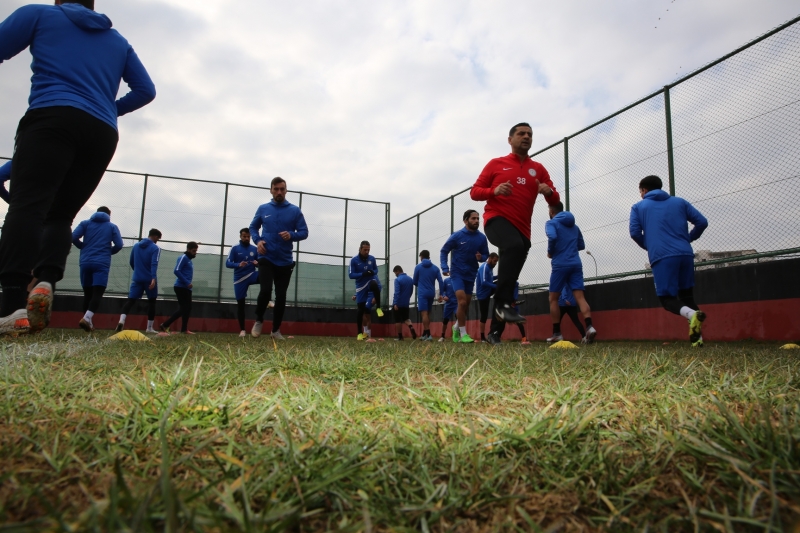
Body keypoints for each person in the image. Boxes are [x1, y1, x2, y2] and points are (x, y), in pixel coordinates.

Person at [0, 0, 156, 337]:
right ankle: (44, 280)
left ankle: (11, 304)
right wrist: (109, 108)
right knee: (60, 215)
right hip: (101, 133)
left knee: (27, 207)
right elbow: (146, 90)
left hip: (51, 116)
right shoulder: (118, 41)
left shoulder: (39, 14)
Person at [470, 123, 560, 345]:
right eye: (521, 134)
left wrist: (550, 192)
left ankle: (494, 334)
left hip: (522, 231)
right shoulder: (496, 164)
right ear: (510, 139)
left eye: (530, 134)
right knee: (513, 247)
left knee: (509, 279)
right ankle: (501, 306)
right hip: (496, 221)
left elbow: (555, 200)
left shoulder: (538, 169)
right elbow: (475, 192)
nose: (526, 137)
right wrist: (495, 190)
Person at [630, 175, 708, 346]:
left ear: (644, 190)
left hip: (662, 256)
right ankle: (698, 340)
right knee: (687, 296)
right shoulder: (680, 202)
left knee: (667, 300)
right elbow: (702, 222)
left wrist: (651, 246)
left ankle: (692, 315)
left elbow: (635, 233)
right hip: (685, 254)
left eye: (640, 191)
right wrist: (688, 239)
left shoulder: (638, 207)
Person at [249, 177, 308, 340]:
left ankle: (275, 330)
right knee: (266, 290)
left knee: (281, 296)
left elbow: (304, 232)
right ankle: (259, 319)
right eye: (276, 189)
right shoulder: (263, 208)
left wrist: (291, 235)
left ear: (286, 190)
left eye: (282, 189)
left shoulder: (295, 211)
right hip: (266, 257)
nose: (279, 192)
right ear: (271, 190)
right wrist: (258, 240)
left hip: (285, 260)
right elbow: (253, 227)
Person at [545, 202, 596, 344]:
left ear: (551, 211)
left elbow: (553, 237)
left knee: (553, 298)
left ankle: (556, 333)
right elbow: (581, 245)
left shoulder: (551, 223)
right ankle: (590, 327)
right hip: (576, 263)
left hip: (560, 264)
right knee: (580, 297)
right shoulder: (574, 226)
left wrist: (550, 252)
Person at [440, 209, 490, 343]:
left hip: (471, 273)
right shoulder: (457, 235)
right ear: (466, 220)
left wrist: (481, 257)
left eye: (478, 218)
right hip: (457, 273)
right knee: (461, 302)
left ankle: (456, 327)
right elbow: (444, 250)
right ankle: (463, 334)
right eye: (473, 218)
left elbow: (486, 255)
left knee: (465, 305)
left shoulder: (481, 237)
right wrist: (445, 267)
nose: (476, 221)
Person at [71, 206, 123, 332]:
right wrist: (108, 252)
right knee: (98, 293)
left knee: (87, 294)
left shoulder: (85, 223)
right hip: (101, 263)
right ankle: (87, 318)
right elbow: (119, 245)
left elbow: (73, 237)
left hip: (85, 262)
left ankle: (89, 324)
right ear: (109, 215)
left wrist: (83, 247)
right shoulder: (111, 227)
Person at [115, 228, 162, 333]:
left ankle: (121, 320)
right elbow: (154, 263)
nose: (157, 241)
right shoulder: (155, 248)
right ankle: (149, 328)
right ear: (155, 237)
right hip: (149, 279)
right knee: (152, 302)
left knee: (130, 300)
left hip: (137, 277)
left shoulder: (136, 246)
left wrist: (137, 271)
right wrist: (153, 278)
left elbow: (131, 261)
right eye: (157, 239)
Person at [226, 228, 260, 337]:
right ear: (240, 236)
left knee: (265, 276)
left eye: (248, 236)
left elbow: (260, 262)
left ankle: (267, 300)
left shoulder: (254, 249)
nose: (246, 238)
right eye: (244, 236)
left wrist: (257, 264)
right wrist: (238, 265)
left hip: (251, 274)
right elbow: (228, 263)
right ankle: (242, 330)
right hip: (239, 279)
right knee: (241, 305)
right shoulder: (235, 248)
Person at [160, 242, 198, 334]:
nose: (195, 253)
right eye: (193, 251)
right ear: (188, 249)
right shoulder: (183, 258)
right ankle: (165, 324)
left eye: (196, 251)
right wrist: (186, 282)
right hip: (181, 287)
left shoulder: (189, 260)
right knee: (184, 308)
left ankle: (184, 329)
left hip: (187, 288)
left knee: (188, 308)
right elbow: (176, 270)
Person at [349, 241, 385, 340]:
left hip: (370, 280)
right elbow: (351, 275)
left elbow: (376, 270)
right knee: (361, 309)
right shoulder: (354, 260)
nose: (367, 251)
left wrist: (372, 272)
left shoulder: (372, 258)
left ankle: (378, 307)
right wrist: (362, 274)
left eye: (368, 250)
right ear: (360, 249)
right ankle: (359, 333)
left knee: (375, 284)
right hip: (360, 285)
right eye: (365, 249)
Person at [412, 250, 444, 341]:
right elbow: (441, 282)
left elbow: (414, 281)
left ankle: (428, 334)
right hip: (431, 292)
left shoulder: (418, 267)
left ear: (421, 257)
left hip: (422, 293)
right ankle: (424, 334)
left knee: (424, 314)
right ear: (429, 257)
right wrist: (441, 294)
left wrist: (421, 284)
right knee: (427, 314)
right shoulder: (435, 268)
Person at [475, 252, 499, 342]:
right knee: (484, 315)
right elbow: (484, 282)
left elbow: (490, 278)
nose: (495, 263)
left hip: (488, 292)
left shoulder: (490, 268)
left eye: (496, 262)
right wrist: (496, 287)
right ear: (489, 258)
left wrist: (498, 276)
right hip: (483, 294)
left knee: (501, 283)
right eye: (494, 261)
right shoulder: (484, 267)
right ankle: (482, 337)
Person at [392, 265, 416, 341]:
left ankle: (400, 337)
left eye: (395, 273)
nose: (395, 274)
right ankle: (411, 326)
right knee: (406, 318)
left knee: (398, 320)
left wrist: (395, 303)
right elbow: (411, 291)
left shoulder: (397, 280)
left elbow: (397, 292)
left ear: (398, 271)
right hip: (406, 303)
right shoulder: (410, 279)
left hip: (398, 303)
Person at [438, 276, 458, 342]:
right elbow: (442, 291)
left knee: (459, 317)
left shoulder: (459, 280)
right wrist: (444, 296)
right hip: (448, 304)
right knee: (445, 320)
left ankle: (458, 335)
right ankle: (442, 336)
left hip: (456, 303)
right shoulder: (446, 280)